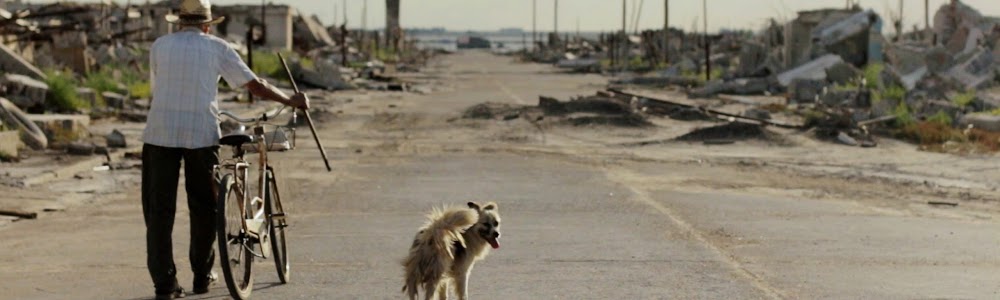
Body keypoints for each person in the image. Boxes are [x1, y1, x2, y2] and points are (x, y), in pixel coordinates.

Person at [141, 0, 308, 299]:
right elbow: (254, 86)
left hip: (159, 133)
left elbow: (160, 84)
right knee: (204, 208)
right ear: (207, 25)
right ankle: (202, 277)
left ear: (179, 23)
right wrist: (289, 101)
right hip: (200, 135)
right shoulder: (216, 47)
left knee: (159, 212)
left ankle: (165, 285)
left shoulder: (160, 46)